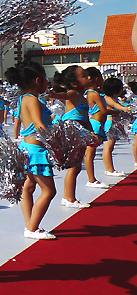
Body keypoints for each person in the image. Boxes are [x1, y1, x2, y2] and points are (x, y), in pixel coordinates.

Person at [5, 62, 57, 240]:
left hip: (26, 148)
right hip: (36, 150)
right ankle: (33, 228)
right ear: (38, 80)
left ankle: (30, 224)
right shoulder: (33, 99)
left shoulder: (22, 99)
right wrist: (57, 141)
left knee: (28, 187)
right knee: (49, 191)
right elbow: (39, 124)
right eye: (46, 80)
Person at [53, 65, 93, 209]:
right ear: (75, 83)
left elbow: (85, 119)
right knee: (74, 167)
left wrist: (91, 132)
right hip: (71, 134)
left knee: (76, 167)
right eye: (83, 75)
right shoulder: (73, 94)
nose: (88, 77)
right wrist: (52, 94)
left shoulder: (83, 98)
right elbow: (63, 95)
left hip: (79, 135)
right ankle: (69, 198)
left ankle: (69, 197)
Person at [83, 67, 111, 190]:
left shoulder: (91, 93)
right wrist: (115, 112)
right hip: (95, 124)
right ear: (96, 79)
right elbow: (103, 110)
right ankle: (91, 179)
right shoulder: (94, 94)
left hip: (97, 124)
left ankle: (92, 179)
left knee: (91, 154)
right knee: (90, 154)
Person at [100, 77, 132, 177]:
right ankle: (109, 169)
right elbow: (117, 106)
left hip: (114, 124)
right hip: (110, 125)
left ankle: (110, 169)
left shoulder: (113, 98)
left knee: (110, 148)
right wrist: (126, 108)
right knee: (108, 148)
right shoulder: (107, 98)